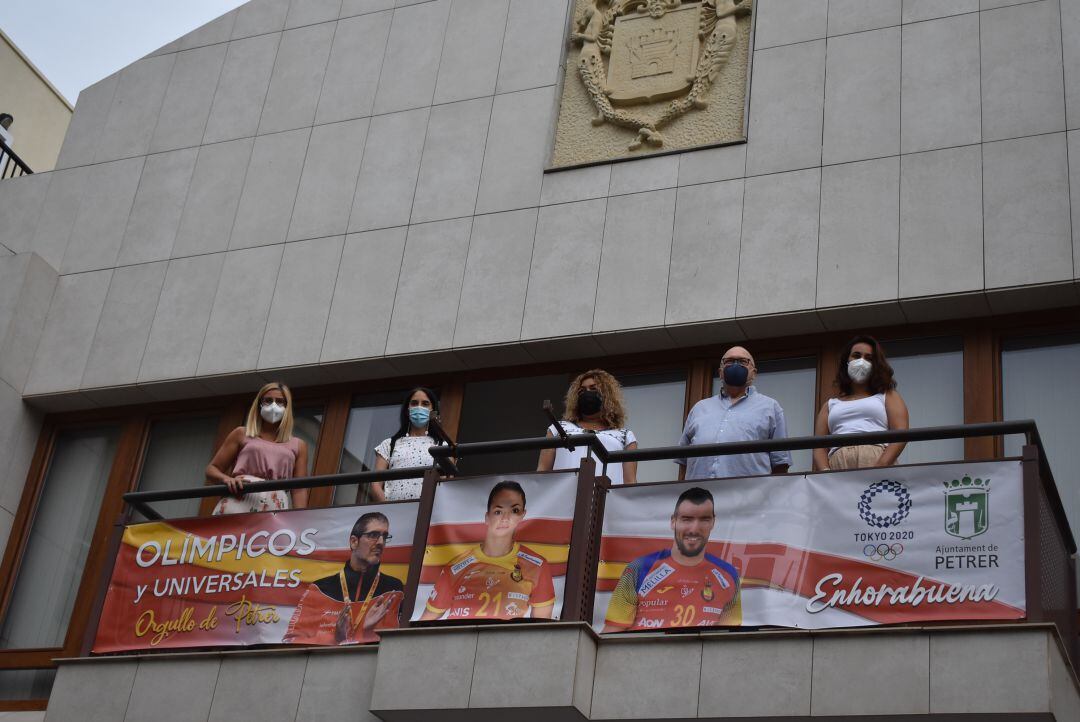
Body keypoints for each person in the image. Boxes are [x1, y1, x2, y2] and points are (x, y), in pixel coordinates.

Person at [603, 487, 741, 631]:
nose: (694, 529)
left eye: (704, 520)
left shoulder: (729, 576)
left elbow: (728, 644)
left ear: (713, 522)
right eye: (687, 519)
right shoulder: (638, 568)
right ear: (673, 522)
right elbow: (610, 637)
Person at [420, 481, 555, 621]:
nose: (505, 519)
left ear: (523, 515)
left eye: (514, 511)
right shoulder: (455, 567)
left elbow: (541, 629)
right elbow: (424, 624)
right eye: (498, 511)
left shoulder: (537, 565)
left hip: (507, 642)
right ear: (487, 517)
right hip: (459, 641)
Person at [283, 512, 404, 645]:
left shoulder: (394, 589)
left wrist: (367, 631)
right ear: (354, 542)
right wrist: (336, 638)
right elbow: (291, 641)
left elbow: (396, 646)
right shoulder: (320, 588)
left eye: (385, 537)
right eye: (373, 535)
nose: (381, 542)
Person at [677, 346, 790, 480]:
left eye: (743, 361)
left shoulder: (770, 407)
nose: (735, 365)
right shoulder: (699, 408)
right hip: (700, 496)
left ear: (754, 373)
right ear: (720, 372)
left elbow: (780, 463)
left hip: (748, 496)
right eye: (729, 361)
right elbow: (683, 461)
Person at [206, 382, 308, 513]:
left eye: (280, 401)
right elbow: (212, 468)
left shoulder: (299, 445)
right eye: (268, 400)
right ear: (259, 404)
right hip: (239, 498)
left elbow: (299, 489)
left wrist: (301, 518)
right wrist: (226, 479)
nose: (273, 405)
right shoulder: (242, 433)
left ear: (287, 407)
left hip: (275, 505)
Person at [812, 335, 909, 471]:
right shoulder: (830, 405)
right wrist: (825, 472)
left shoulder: (887, 395)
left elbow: (901, 432)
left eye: (869, 358)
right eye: (856, 356)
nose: (861, 361)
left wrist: (881, 465)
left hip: (876, 458)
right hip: (838, 463)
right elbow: (818, 446)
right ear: (847, 360)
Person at [537, 369, 638, 484]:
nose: (587, 393)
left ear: (607, 395)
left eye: (593, 388)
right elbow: (542, 471)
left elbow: (630, 482)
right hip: (562, 497)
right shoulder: (557, 428)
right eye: (582, 391)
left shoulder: (625, 436)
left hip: (606, 499)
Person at [371, 387, 446, 501]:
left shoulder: (443, 446)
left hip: (428, 513)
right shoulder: (389, 444)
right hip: (394, 513)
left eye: (425, 404)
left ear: (433, 411)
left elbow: (445, 484)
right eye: (414, 403)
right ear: (407, 410)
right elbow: (375, 485)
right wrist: (388, 509)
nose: (419, 407)